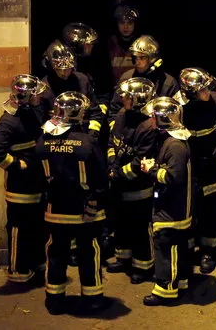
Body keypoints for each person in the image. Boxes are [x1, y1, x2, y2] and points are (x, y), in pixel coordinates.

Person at [36, 92, 109, 315]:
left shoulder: (43, 140)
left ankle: (54, 300)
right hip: (85, 210)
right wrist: (97, 200)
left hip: (55, 208)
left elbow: (37, 174)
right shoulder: (87, 142)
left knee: (56, 253)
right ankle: (93, 299)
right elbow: (100, 177)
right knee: (90, 253)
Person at [0, 74, 48, 284]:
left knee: (37, 226)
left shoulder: (33, 113)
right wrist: (15, 165)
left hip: (37, 183)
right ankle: (17, 270)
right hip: (20, 188)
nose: (40, 97)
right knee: (18, 228)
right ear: (28, 97)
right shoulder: (9, 121)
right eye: (36, 95)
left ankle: (37, 264)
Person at [175, 67, 216, 274]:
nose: (208, 92)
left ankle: (209, 251)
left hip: (210, 163)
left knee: (211, 208)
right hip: (188, 165)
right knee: (189, 209)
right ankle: (189, 250)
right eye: (203, 90)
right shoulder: (178, 107)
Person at [140, 97, 193, 306]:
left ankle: (165, 289)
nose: (151, 120)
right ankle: (181, 281)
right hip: (176, 207)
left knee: (166, 245)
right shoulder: (172, 140)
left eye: (154, 116)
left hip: (172, 209)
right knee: (178, 247)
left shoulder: (175, 146)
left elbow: (173, 177)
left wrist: (150, 169)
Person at [106, 78, 158, 285]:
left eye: (127, 96)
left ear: (138, 99)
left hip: (139, 187)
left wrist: (118, 174)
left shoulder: (149, 126)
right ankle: (123, 258)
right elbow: (112, 142)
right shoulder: (121, 115)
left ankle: (143, 266)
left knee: (140, 227)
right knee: (121, 223)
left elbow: (141, 161)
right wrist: (111, 165)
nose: (122, 98)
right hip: (119, 183)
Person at [40, 40, 105, 140]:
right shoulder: (45, 86)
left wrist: (92, 136)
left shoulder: (82, 81)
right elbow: (40, 117)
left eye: (67, 69)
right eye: (59, 69)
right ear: (52, 67)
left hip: (81, 134)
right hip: (55, 138)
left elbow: (95, 113)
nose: (64, 73)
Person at [108, 35, 179, 119]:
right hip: (128, 130)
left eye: (142, 58)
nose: (137, 62)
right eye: (135, 58)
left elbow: (176, 114)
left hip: (156, 130)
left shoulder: (169, 83)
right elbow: (114, 110)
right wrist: (116, 129)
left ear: (152, 59)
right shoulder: (126, 78)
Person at [62, 22, 115, 115]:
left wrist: (101, 107)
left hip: (91, 111)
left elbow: (103, 89)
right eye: (87, 44)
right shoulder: (64, 67)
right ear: (77, 45)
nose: (91, 46)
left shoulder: (93, 63)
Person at [107, 5, 141, 84]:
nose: (125, 27)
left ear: (135, 24)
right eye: (122, 23)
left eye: (129, 23)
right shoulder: (110, 44)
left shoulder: (142, 44)